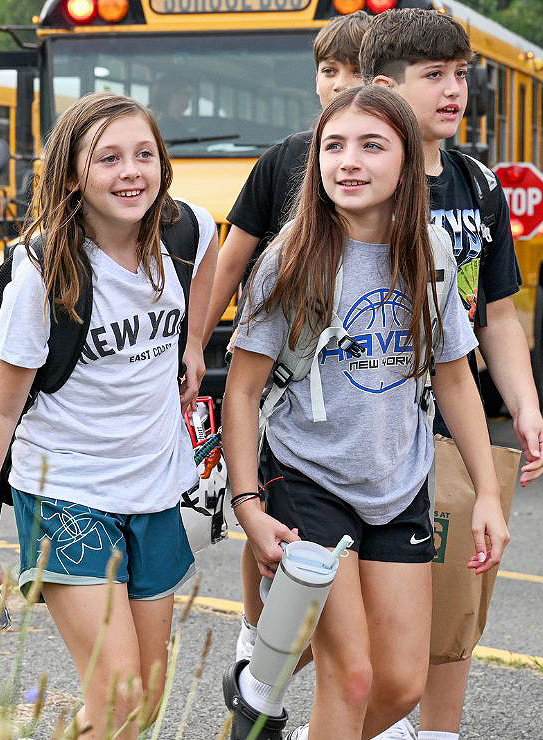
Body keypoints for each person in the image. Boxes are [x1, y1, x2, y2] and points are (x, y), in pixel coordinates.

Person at [222, 85, 508, 740]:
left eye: (371, 145)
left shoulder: (430, 252)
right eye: (334, 146)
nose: (348, 161)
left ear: (407, 163)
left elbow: (456, 379)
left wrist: (487, 495)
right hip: (307, 480)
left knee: (400, 685)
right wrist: (247, 506)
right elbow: (241, 392)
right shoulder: (288, 259)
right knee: (349, 679)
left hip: (397, 485)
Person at [0, 92, 217, 737]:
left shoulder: (182, 231)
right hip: (66, 491)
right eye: (109, 159)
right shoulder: (41, 277)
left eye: (144, 155)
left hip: (154, 488)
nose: (131, 172)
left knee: (140, 704)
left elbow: (209, 255)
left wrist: (194, 346)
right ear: (73, 174)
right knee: (120, 697)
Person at [360, 9, 543, 740]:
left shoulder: (477, 184)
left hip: (452, 416)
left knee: (458, 586)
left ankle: (439, 731)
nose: (453, 90)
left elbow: (495, 314)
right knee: (369, 600)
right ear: (385, 88)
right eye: (432, 75)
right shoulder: (361, 178)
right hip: (366, 420)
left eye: (461, 75)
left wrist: (525, 405)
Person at [202, 8, 372, 688]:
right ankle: (253, 629)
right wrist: (192, 347)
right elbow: (231, 261)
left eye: (355, 72)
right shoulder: (285, 161)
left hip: (365, 383)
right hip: (284, 376)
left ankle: (284, 682)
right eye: (327, 72)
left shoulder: (393, 168)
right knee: (267, 508)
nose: (337, 85)